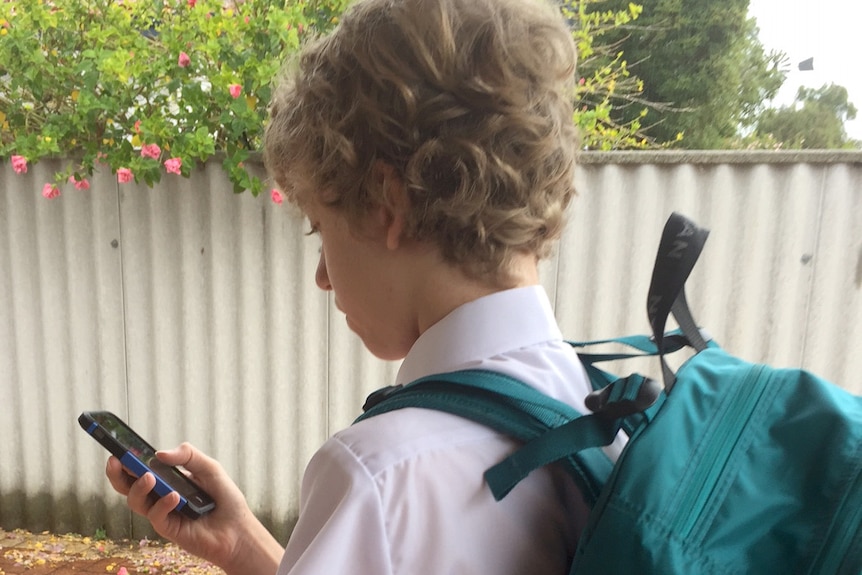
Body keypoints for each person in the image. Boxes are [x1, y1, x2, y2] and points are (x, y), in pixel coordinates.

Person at [106, 0, 621, 572]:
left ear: (385, 204)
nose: (323, 276)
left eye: (320, 228)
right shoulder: (608, 416)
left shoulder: (379, 474)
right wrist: (243, 545)